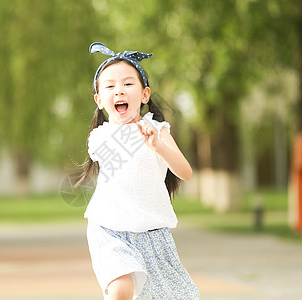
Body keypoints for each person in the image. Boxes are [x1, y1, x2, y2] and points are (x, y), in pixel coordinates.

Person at [77, 42, 200, 300]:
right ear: (100, 100)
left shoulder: (159, 130)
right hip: (108, 229)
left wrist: (157, 145)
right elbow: (121, 155)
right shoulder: (100, 137)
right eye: (110, 86)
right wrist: (136, 137)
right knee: (122, 289)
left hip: (151, 234)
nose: (119, 91)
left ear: (144, 95)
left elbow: (185, 171)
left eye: (127, 84)